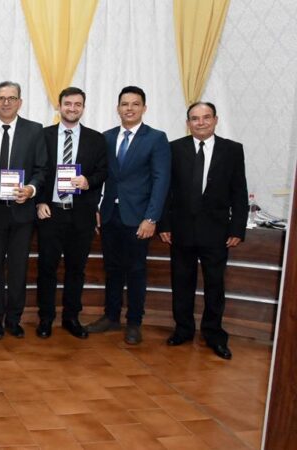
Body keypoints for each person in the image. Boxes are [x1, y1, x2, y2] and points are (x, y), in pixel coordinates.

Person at [159, 102, 247, 360]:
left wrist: (237, 228)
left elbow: (239, 192)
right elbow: (165, 189)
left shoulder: (232, 150)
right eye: (195, 119)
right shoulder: (174, 148)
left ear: (215, 120)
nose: (201, 122)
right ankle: (183, 329)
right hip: (181, 231)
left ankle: (213, 333)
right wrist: (164, 224)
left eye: (206, 117)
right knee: (182, 282)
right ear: (188, 123)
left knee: (214, 285)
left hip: (217, 232)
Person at [86, 86, 170, 345]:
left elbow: (161, 180)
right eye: (125, 104)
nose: (129, 108)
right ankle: (111, 316)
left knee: (135, 270)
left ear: (144, 108)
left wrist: (151, 218)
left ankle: (134, 321)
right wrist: (97, 209)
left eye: (135, 104)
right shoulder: (107, 137)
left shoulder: (156, 138)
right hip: (110, 215)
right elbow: (101, 177)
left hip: (139, 218)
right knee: (112, 269)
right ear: (118, 108)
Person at [0, 81, 47, 339]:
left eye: (12, 98)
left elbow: (41, 170)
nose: (6, 102)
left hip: (22, 211)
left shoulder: (35, 131)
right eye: (1, 98)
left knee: (18, 268)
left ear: (20, 102)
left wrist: (31, 189)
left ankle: (14, 318)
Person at [35, 87, 107, 339]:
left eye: (78, 104)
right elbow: (38, 172)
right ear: (59, 106)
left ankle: (71, 317)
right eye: (68, 104)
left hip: (81, 215)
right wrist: (39, 201)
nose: (72, 108)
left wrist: (88, 180)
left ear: (83, 108)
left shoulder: (96, 139)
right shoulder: (42, 136)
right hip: (51, 213)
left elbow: (103, 172)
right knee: (47, 268)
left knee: (77, 269)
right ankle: (45, 318)